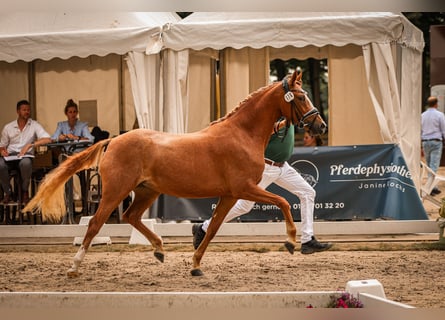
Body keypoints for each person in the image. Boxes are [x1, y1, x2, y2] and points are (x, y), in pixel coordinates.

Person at [192, 119, 332, 254]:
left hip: (284, 167)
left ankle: (307, 240)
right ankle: (203, 228)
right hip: (266, 167)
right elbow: (264, 132)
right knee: (244, 206)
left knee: (308, 192)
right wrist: (283, 123)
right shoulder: (274, 114)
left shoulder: (290, 113)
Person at [0, 99, 52, 204]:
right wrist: (2, 152)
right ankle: (8, 192)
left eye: (28, 110)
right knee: (0, 165)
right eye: (24, 110)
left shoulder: (34, 125)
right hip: (11, 156)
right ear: (18, 111)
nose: (27, 112)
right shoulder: (8, 127)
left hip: (25, 156)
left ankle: (24, 191)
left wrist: (31, 145)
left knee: (26, 163)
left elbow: (48, 139)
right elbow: (2, 146)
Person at [51, 99, 95, 214]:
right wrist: (63, 137)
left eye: (74, 111)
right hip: (66, 156)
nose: (72, 114)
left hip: (79, 156)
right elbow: (53, 138)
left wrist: (77, 138)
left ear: (77, 113)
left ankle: (78, 198)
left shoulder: (82, 125)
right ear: (66, 113)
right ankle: (70, 201)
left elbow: (91, 139)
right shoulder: (61, 125)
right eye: (70, 112)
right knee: (65, 170)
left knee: (74, 172)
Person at [421, 96, 445, 196]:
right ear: (436, 104)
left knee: (429, 164)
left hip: (425, 142)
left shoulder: (422, 115)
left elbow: (420, 129)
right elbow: (443, 129)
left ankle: (431, 186)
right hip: (436, 142)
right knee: (434, 166)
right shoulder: (440, 115)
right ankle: (431, 188)